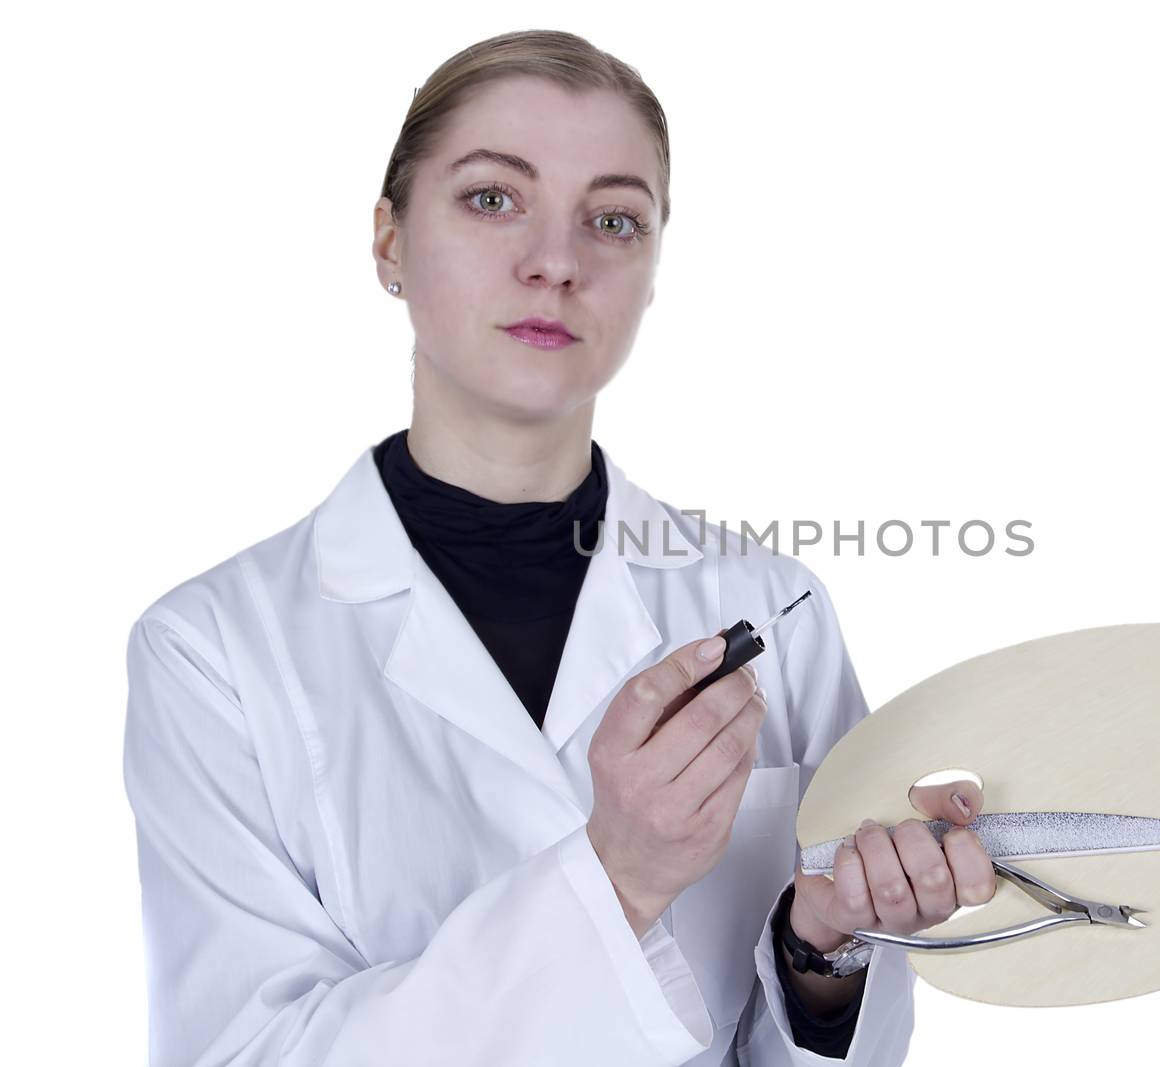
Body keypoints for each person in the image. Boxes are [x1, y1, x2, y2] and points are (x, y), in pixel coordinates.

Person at [122, 28, 997, 1067]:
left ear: (652, 270)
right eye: (493, 198)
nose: (556, 261)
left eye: (614, 220)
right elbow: (243, 1052)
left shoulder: (775, 607)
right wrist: (616, 878)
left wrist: (824, 953)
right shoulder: (214, 648)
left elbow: (835, 1040)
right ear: (389, 240)